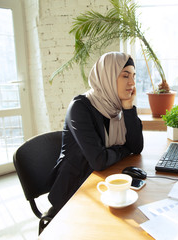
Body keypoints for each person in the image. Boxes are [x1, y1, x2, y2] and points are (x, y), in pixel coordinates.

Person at [47, 52, 144, 216]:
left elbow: (136, 147)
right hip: (74, 191)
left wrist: (128, 107)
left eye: (134, 76)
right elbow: (99, 160)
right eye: (125, 76)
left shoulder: (117, 108)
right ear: (108, 77)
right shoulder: (80, 107)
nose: (132, 83)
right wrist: (124, 149)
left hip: (100, 182)